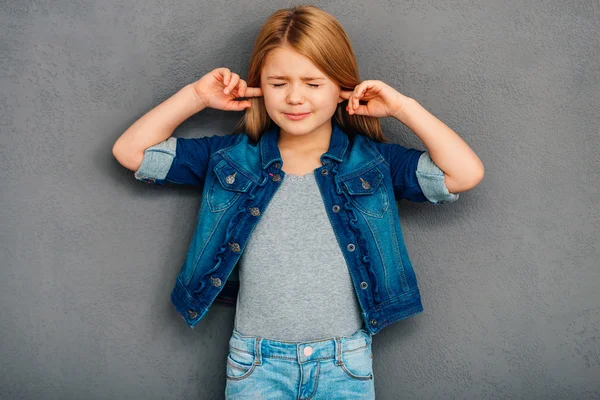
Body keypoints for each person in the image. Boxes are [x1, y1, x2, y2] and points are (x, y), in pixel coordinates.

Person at [112, 5, 484, 399]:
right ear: (258, 86)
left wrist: (402, 108)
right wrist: (196, 97)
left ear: (342, 87)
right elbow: (131, 151)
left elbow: (464, 173)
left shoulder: (372, 163)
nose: (294, 97)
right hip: (255, 363)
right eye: (278, 83)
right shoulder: (230, 158)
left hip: (344, 361)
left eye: (312, 83)